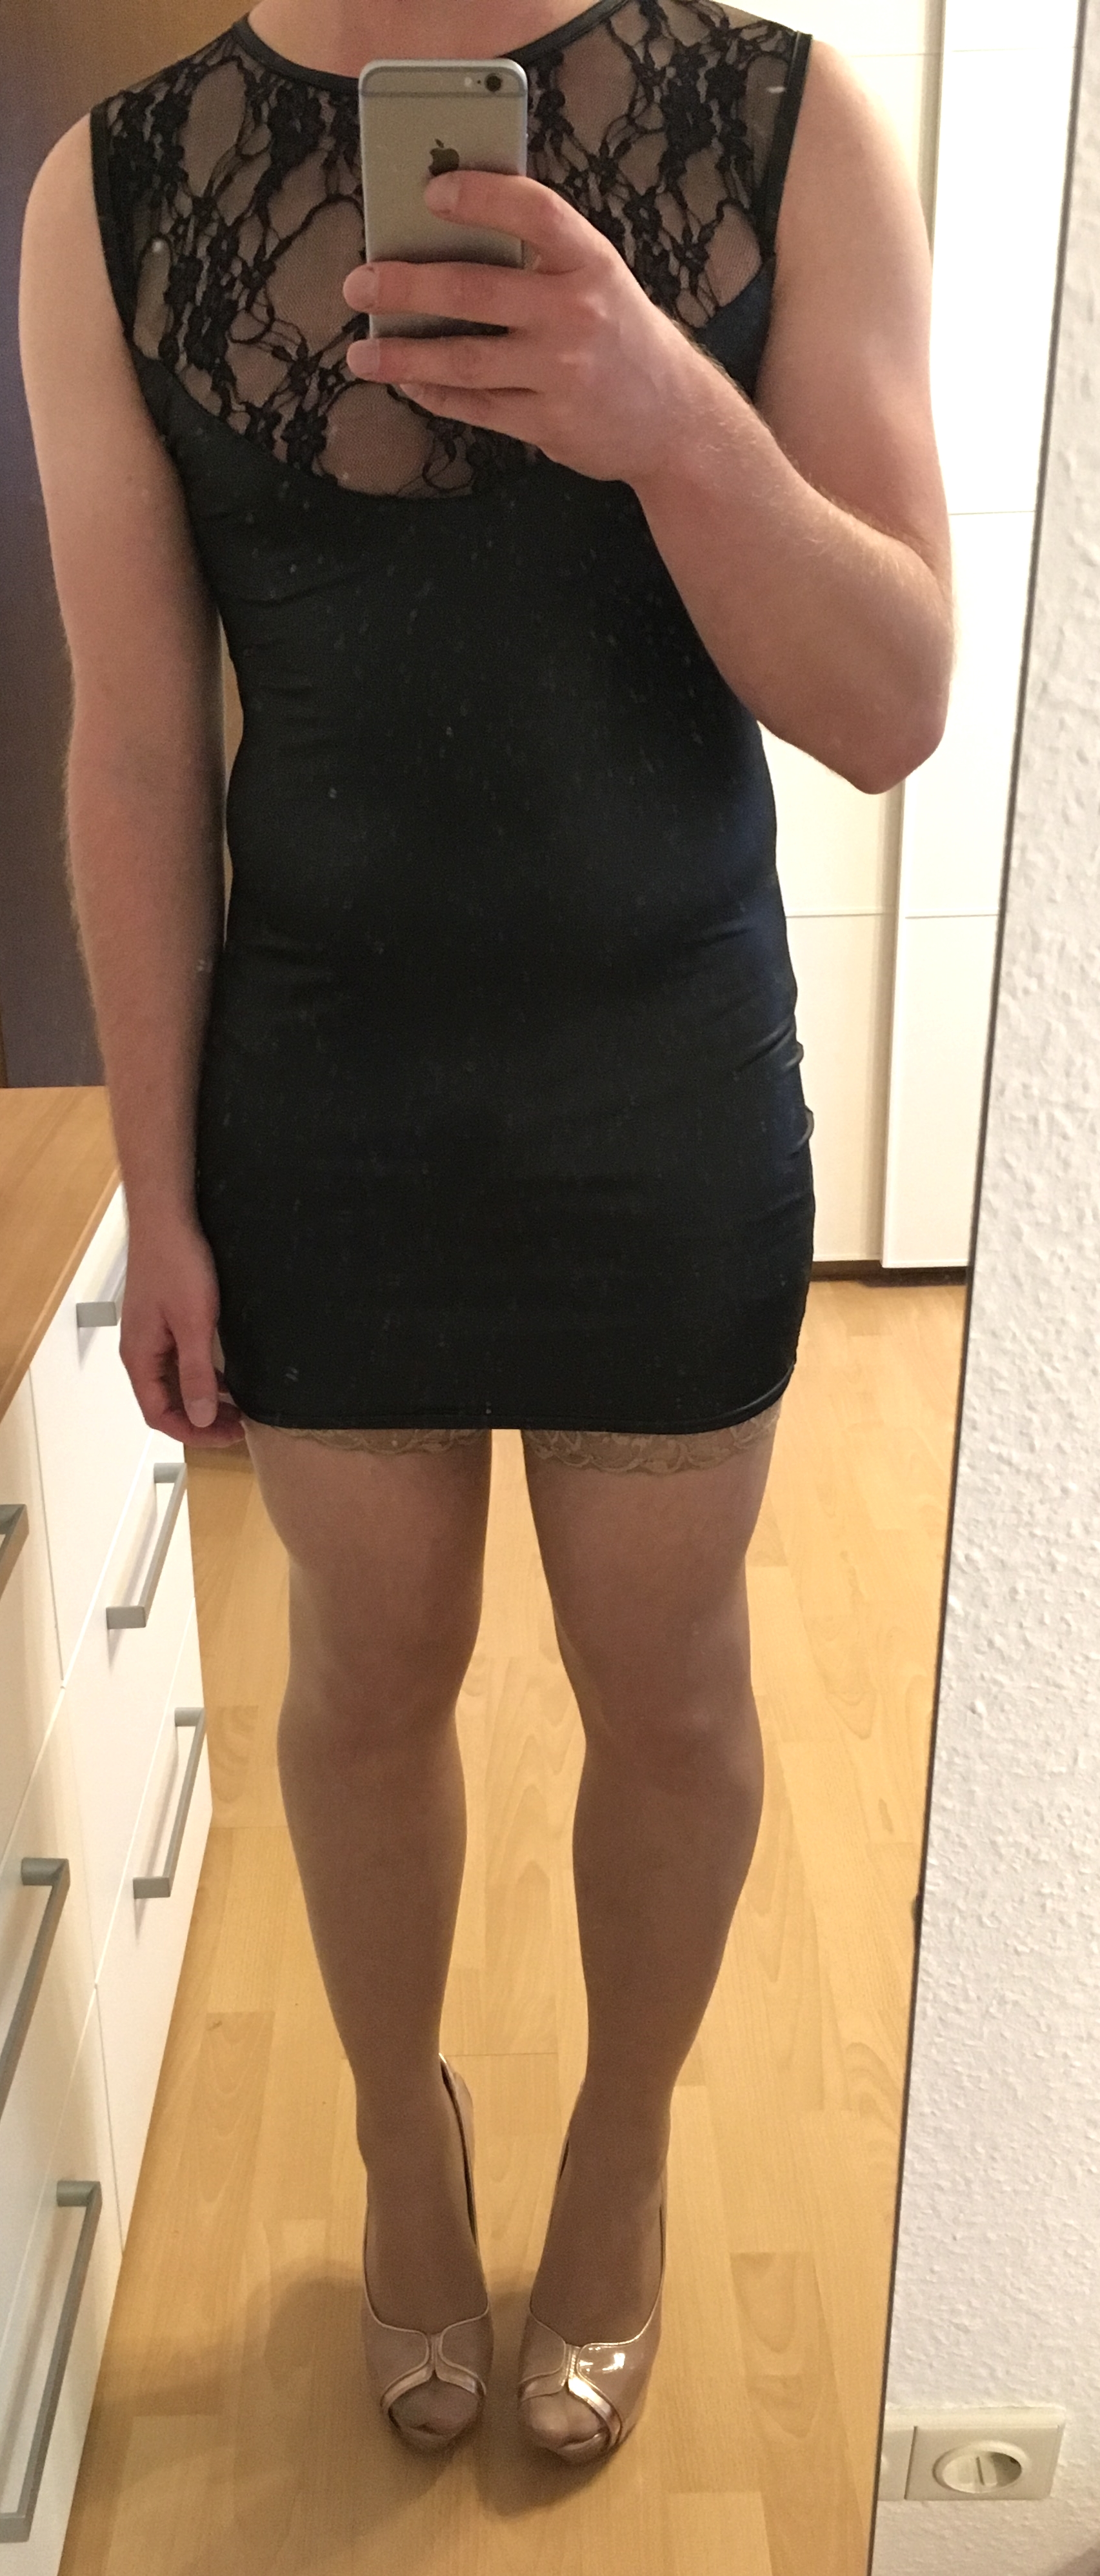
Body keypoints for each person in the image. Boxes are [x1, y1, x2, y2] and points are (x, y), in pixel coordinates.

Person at [19, 0, 953, 2468]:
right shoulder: (118, 193)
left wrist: (667, 414)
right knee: (362, 1679)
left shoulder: (781, 126)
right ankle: (393, 2144)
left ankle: (617, 2154)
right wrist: (160, 1187)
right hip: (323, 1096)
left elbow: (888, 701)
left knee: (670, 1695)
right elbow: (137, 740)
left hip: (660, 1085)